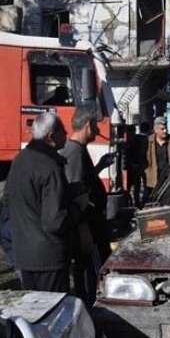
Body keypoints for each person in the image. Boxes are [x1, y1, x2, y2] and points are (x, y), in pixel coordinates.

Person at [6, 111, 70, 292]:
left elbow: (14, 199)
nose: (66, 134)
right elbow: (54, 221)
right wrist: (77, 208)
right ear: (51, 137)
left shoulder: (20, 160)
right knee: (53, 306)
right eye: (63, 130)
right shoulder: (50, 166)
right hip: (48, 257)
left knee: (33, 305)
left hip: (24, 254)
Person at [59, 106, 114, 306]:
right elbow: (76, 194)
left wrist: (100, 166)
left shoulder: (78, 150)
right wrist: (84, 230)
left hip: (91, 223)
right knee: (92, 268)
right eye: (95, 126)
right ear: (87, 125)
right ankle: (91, 304)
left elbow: (84, 181)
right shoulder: (74, 151)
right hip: (88, 225)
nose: (98, 131)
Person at [145, 116, 170, 192]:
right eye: (162, 129)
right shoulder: (148, 141)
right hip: (154, 179)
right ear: (156, 130)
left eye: (166, 128)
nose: (165, 131)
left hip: (169, 179)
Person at [130, 121, 150, 207]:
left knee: (137, 184)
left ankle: (136, 201)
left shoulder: (135, 138)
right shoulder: (149, 139)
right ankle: (145, 200)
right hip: (146, 164)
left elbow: (132, 152)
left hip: (136, 165)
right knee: (147, 183)